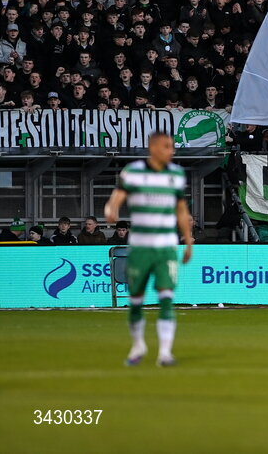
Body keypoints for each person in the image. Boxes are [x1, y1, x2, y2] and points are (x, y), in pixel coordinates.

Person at [104, 132, 194, 367]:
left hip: (165, 247)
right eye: (166, 146)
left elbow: (181, 210)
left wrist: (188, 240)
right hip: (141, 247)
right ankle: (138, 345)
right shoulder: (133, 171)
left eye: (172, 147)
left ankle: (165, 353)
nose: (171, 151)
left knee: (166, 297)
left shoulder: (175, 174)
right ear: (152, 147)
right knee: (136, 300)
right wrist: (111, 208)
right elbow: (118, 196)